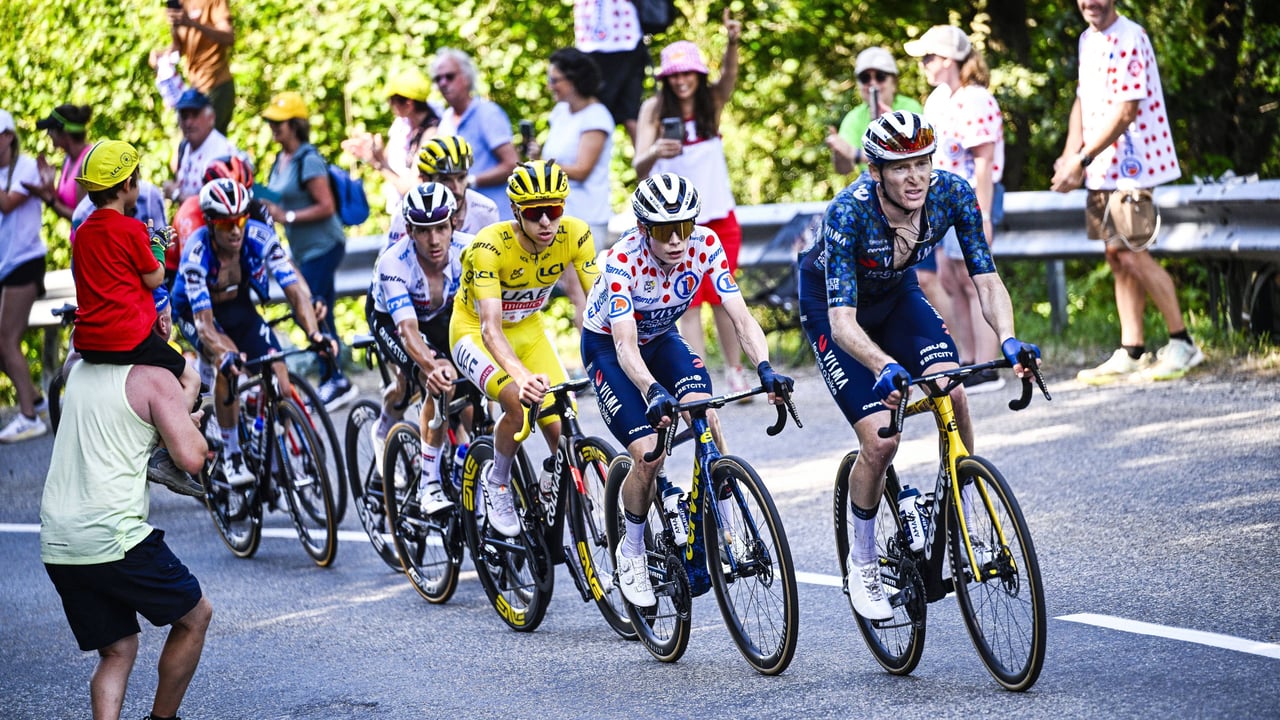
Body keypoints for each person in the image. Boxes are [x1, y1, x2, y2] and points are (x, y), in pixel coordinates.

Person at [797, 111, 1039, 620]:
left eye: (923, 163)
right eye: (901, 167)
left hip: (897, 293)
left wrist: (1011, 338)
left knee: (952, 391)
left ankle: (955, 507)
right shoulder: (849, 214)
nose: (916, 177)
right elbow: (842, 324)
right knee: (881, 438)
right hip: (836, 308)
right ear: (876, 172)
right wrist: (884, 363)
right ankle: (862, 562)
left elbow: (987, 281)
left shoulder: (951, 192)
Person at [581, 173, 793, 607]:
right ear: (644, 230)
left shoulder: (706, 244)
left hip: (660, 337)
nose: (677, 240)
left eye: (685, 226)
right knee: (649, 452)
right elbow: (624, 345)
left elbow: (740, 315)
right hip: (611, 348)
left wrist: (765, 368)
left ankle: (727, 529)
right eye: (664, 230)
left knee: (706, 414)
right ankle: (633, 551)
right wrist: (651, 389)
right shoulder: (623, 260)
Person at [40, 316, 212, 720]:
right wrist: (187, 424)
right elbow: (193, 457)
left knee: (117, 651)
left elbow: (73, 348)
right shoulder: (155, 378)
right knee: (195, 616)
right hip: (115, 537)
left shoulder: (78, 368)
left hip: (58, 540)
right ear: (162, 324)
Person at [1051, 0, 1201, 384]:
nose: (1091, 3)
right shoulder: (1087, 39)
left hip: (1134, 165)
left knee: (1132, 252)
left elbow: (1126, 111)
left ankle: (1183, 342)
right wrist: (1069, 154)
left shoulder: (1130, 37)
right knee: (1115, 257)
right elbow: (1083, 101)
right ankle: (1132, 349)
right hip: (1100, 167)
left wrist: (1079, 160)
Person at [448, 160, 597, 537]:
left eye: (554, 210)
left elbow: (602, 301)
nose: (546, 222)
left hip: (529, 330)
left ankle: (561, 483)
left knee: (560, 417)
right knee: (516, 398)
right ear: (516, 211)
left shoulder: (576, 234)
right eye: (534, 213)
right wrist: (521, 375)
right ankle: (497, 480)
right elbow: (489, 328)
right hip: (474, 333)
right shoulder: (489, 247)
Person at [173, 178, 333, 487]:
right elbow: (205, 325)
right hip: (197, 314)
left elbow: (295, 291)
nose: (235, 230)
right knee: (228, 367)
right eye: (225, 222)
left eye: (241, 220)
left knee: (281, 381)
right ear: (209, 222)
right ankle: (232, 455)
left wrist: (314, 333)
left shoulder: (259, 236)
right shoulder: (196, 252)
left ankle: (273, 451)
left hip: (238, 307)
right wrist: (225, 354)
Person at [634, 12, 753, 395]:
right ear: (666, 79)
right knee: (686, 302)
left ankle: (735, 370)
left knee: (723, 295)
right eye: (675, 75)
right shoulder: (654, 109)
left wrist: (733, 42)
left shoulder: (711, 102)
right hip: (673, 222)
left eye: (688, 74)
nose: (682, 81)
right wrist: (656, 150)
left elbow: (730, 77)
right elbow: (638, 165)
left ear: (698, 76)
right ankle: (695, 377)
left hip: (718, 215)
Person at [905, 26, 1007, 393]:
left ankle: (987, 363)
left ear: (948, 59)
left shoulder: (975, 98)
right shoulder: (937, 100)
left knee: (972, 278)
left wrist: (981, 214)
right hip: (943, 203)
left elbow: (983, 162)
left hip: (973, 200)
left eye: (928, 57)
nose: (924, 64)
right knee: (949, 278)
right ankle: (966, 359)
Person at [368, 183, 473, 512]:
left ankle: (470, 455)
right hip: (394, 321)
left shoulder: (469, 250)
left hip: (441, 316)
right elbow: (408, 330)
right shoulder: (394, 263)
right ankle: (428, 484)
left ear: (453, 223)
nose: (434, 240)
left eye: (441, 228)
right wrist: (430, 367)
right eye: (424, 231)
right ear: (409, 230)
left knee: (472, 393)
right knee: (433, 382)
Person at [259, 92, 356, 409]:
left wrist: (286, 217)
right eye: (272, 122)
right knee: (316, 310)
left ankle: (336, 379)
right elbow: (276, 196)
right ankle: (331, 376)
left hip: (323, 246)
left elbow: (325, 206)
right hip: (303, 251)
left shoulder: (307, 159)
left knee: (314, 309)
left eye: (280, 122)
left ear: (295, 124)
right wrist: (248, 186)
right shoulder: (281, 159)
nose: (274, 127)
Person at [0, 109, 49, 443]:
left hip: (26, 261)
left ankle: (29, 417)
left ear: (8, 136)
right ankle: (35, 397)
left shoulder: (27, 166)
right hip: (7, 265)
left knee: (6, 339)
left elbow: (7, 204)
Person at [342, 68, 442, 225]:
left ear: (408, 104)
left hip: (425, 218)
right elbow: (388, 162)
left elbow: (412, 189)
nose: (390, 106)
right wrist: (370, 153)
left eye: (392, 101)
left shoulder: (432, 135)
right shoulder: (405, 127)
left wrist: (379, 164)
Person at [432, 48, 520, 220]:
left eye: (449, 76)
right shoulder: (446, 120)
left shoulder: (487, 113)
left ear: (466, 78)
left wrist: (469, 181)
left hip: (497, 220)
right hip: (463, 223)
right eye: (438, 78)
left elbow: (512, 165)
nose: (443, 83)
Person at [825, 47, 923, 176]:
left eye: (880, 76)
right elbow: (844, 170)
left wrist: (856, 154)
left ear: (894, 82)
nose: (872, 83)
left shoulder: (910, 108)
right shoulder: (854, 117)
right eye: (865, 78)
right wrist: (839, 153)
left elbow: (914, 157)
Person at [573, 0, 649, 147]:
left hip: (624, 37)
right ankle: (583, 166)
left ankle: (649, 167)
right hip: (595, 41)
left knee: (629, 115)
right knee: (593, 113)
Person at [153, 0, 235, 133]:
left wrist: (193, 23)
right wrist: (161, 56)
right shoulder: (179, 4)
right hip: (196, 89)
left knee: (204, 142)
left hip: (217, 84)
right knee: (191, 143)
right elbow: (179, 48)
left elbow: (229, 37)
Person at [413, 135, 499, 237]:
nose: (456, 189)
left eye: (461, 177)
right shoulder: (407, 215)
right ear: (425, 179)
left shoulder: (486, 210)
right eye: (445, 180)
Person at [25, 104, 93, 223]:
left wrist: (47, 197)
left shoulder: (87, 163)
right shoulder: (68, 159)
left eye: (50, 129)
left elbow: (82, 219)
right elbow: (63, 206)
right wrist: (50, 187)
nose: (48, 134)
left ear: (64, 133)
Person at [168, 89, 236, 203]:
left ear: (211, 118)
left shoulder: (223, 153)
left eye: (195, 115)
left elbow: (222, 203)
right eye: (184, 117)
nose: (188, 123)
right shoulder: (184, 146)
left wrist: (176, 195)